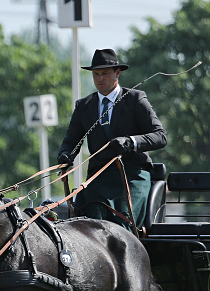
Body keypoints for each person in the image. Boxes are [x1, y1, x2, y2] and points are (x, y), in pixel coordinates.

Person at [57, 49, 166, 230]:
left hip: (133, 175)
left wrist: (130, 142)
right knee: (85, 227)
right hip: (99, 177)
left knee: (122, 226)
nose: (100, 79)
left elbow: (160, 136)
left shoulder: (135, 99)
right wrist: (65, 155)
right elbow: (71, 141)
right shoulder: (84, 106)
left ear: (117, 73)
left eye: (105, 74)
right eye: (96, 74)